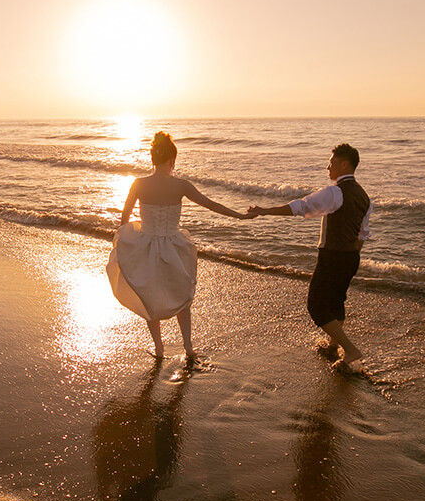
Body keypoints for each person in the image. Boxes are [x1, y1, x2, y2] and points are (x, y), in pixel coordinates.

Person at [108, 131, 252, 360]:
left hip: (144, 245)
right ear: (172, 159)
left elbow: (125, 216)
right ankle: (188, 347)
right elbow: (211, 205)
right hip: (173, 248)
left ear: (153, 159)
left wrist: (123, 244)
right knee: (182, 295)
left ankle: (159, 347)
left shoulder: (139, 184)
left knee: (148, 295)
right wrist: (240, 217)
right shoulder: (181, 185)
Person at [248, 143, 372, 370]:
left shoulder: (336, 192)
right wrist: (350, 257)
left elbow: (301, 207)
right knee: (336, 301)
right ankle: (334, 346)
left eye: (332, 162)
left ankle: (350, 350)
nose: (328, 167)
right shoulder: (364, 196)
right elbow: (362, 234)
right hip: (351, 257)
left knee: (316, 306)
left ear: (345, 164)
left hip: (333, 257)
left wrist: (264, 210)